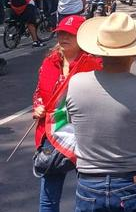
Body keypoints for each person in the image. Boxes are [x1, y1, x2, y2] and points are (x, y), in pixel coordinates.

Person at [67, 13, 136, 211]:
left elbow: (71, 121)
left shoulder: (76, 83)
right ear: (135, 53)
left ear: (99, 51)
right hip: (134, 180)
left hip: (89, 182)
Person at [32, 16, 102, 212]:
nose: (64, 37)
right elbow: (39, 92)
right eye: (61, 33)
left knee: (88, 196)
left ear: (82, 38)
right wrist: (37, 106)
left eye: (70, 34)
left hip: (85, 136)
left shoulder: (94, 64)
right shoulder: (49, 62)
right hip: (52, 135)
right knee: (48, 197)